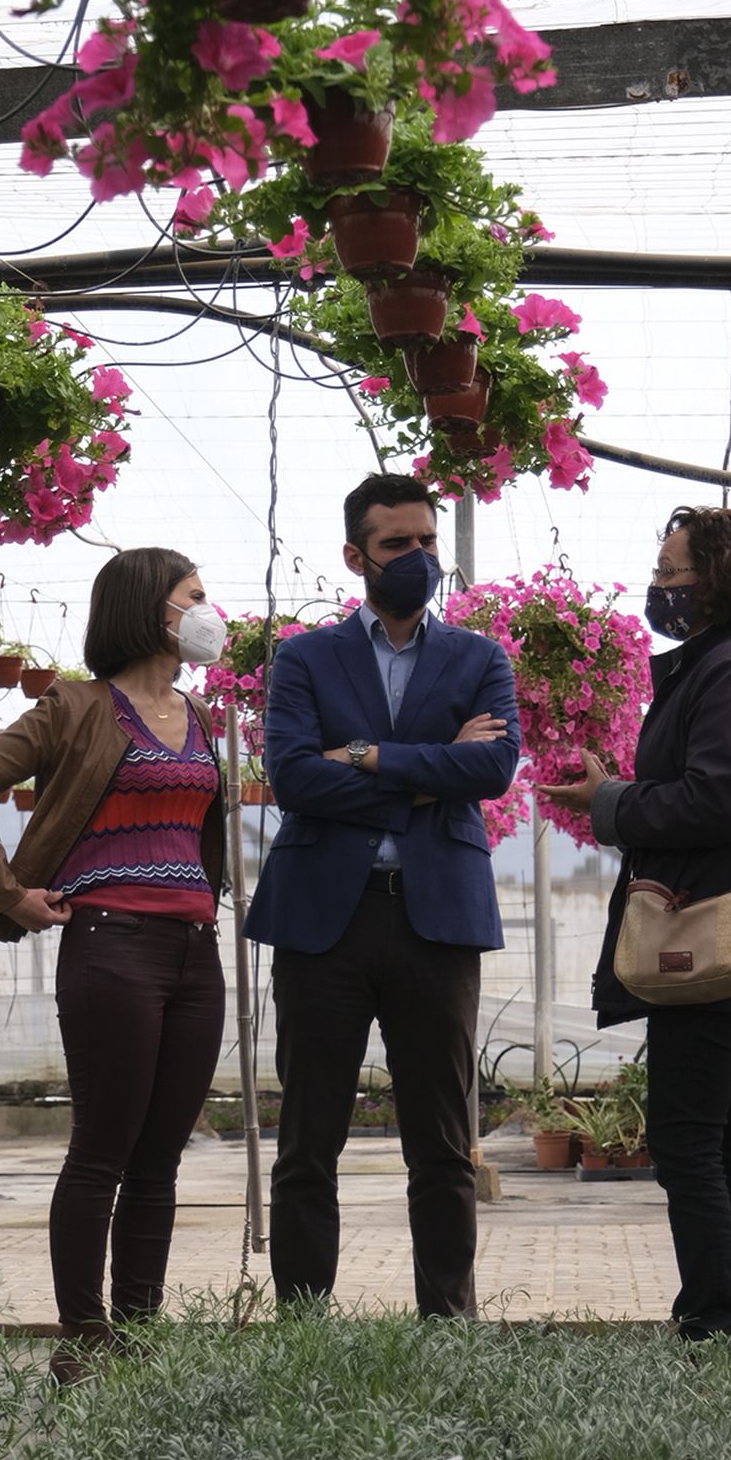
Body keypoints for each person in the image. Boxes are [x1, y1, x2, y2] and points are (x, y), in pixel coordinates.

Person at [543, 506, 731, 1344]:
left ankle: (713, 1318)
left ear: (717, 582)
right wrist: (621, 789)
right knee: (727, 1138)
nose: (660, 586)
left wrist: (612, 804)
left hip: (701, 932)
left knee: (687, 1141)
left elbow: (719, 799)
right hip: (708, 924)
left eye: (672, 574)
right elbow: (717, 787)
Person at [0, 547, 228, 1378]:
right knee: (102, 1147)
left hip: (194, 950)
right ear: (151, 609)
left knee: (160, 1156)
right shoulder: (73, 706)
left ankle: (138, 1339)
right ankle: (83, 1339)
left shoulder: (202, 717)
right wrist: (9, 893)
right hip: (110, 944)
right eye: (195, 595)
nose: (209, 612)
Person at [245, 472, 520, 1319]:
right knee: (308, 1142)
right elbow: (292, 778)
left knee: (442, 1143)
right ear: (355, 555)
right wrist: (430, 770)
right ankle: (305, 1328)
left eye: (428, 542)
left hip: (435, 919)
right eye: (398, 544)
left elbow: (494, 768)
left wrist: (362, 758)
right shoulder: (304, 656)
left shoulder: (480, 658)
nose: (419, 558)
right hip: (326, 920)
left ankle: (449, 1326)